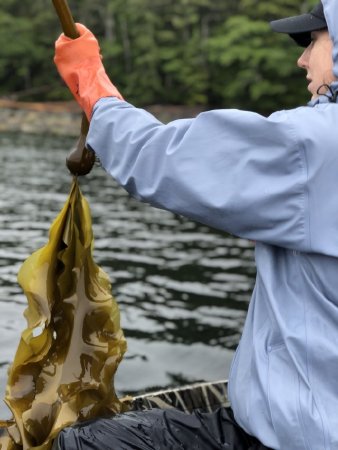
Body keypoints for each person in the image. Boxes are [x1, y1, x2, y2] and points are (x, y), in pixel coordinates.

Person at [53, 0, 338, 449]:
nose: (302, 58)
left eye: (313, 41)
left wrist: (89, 79)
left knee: (85, 443)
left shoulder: (317, 145)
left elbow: (159, 158)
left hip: (301, 438)